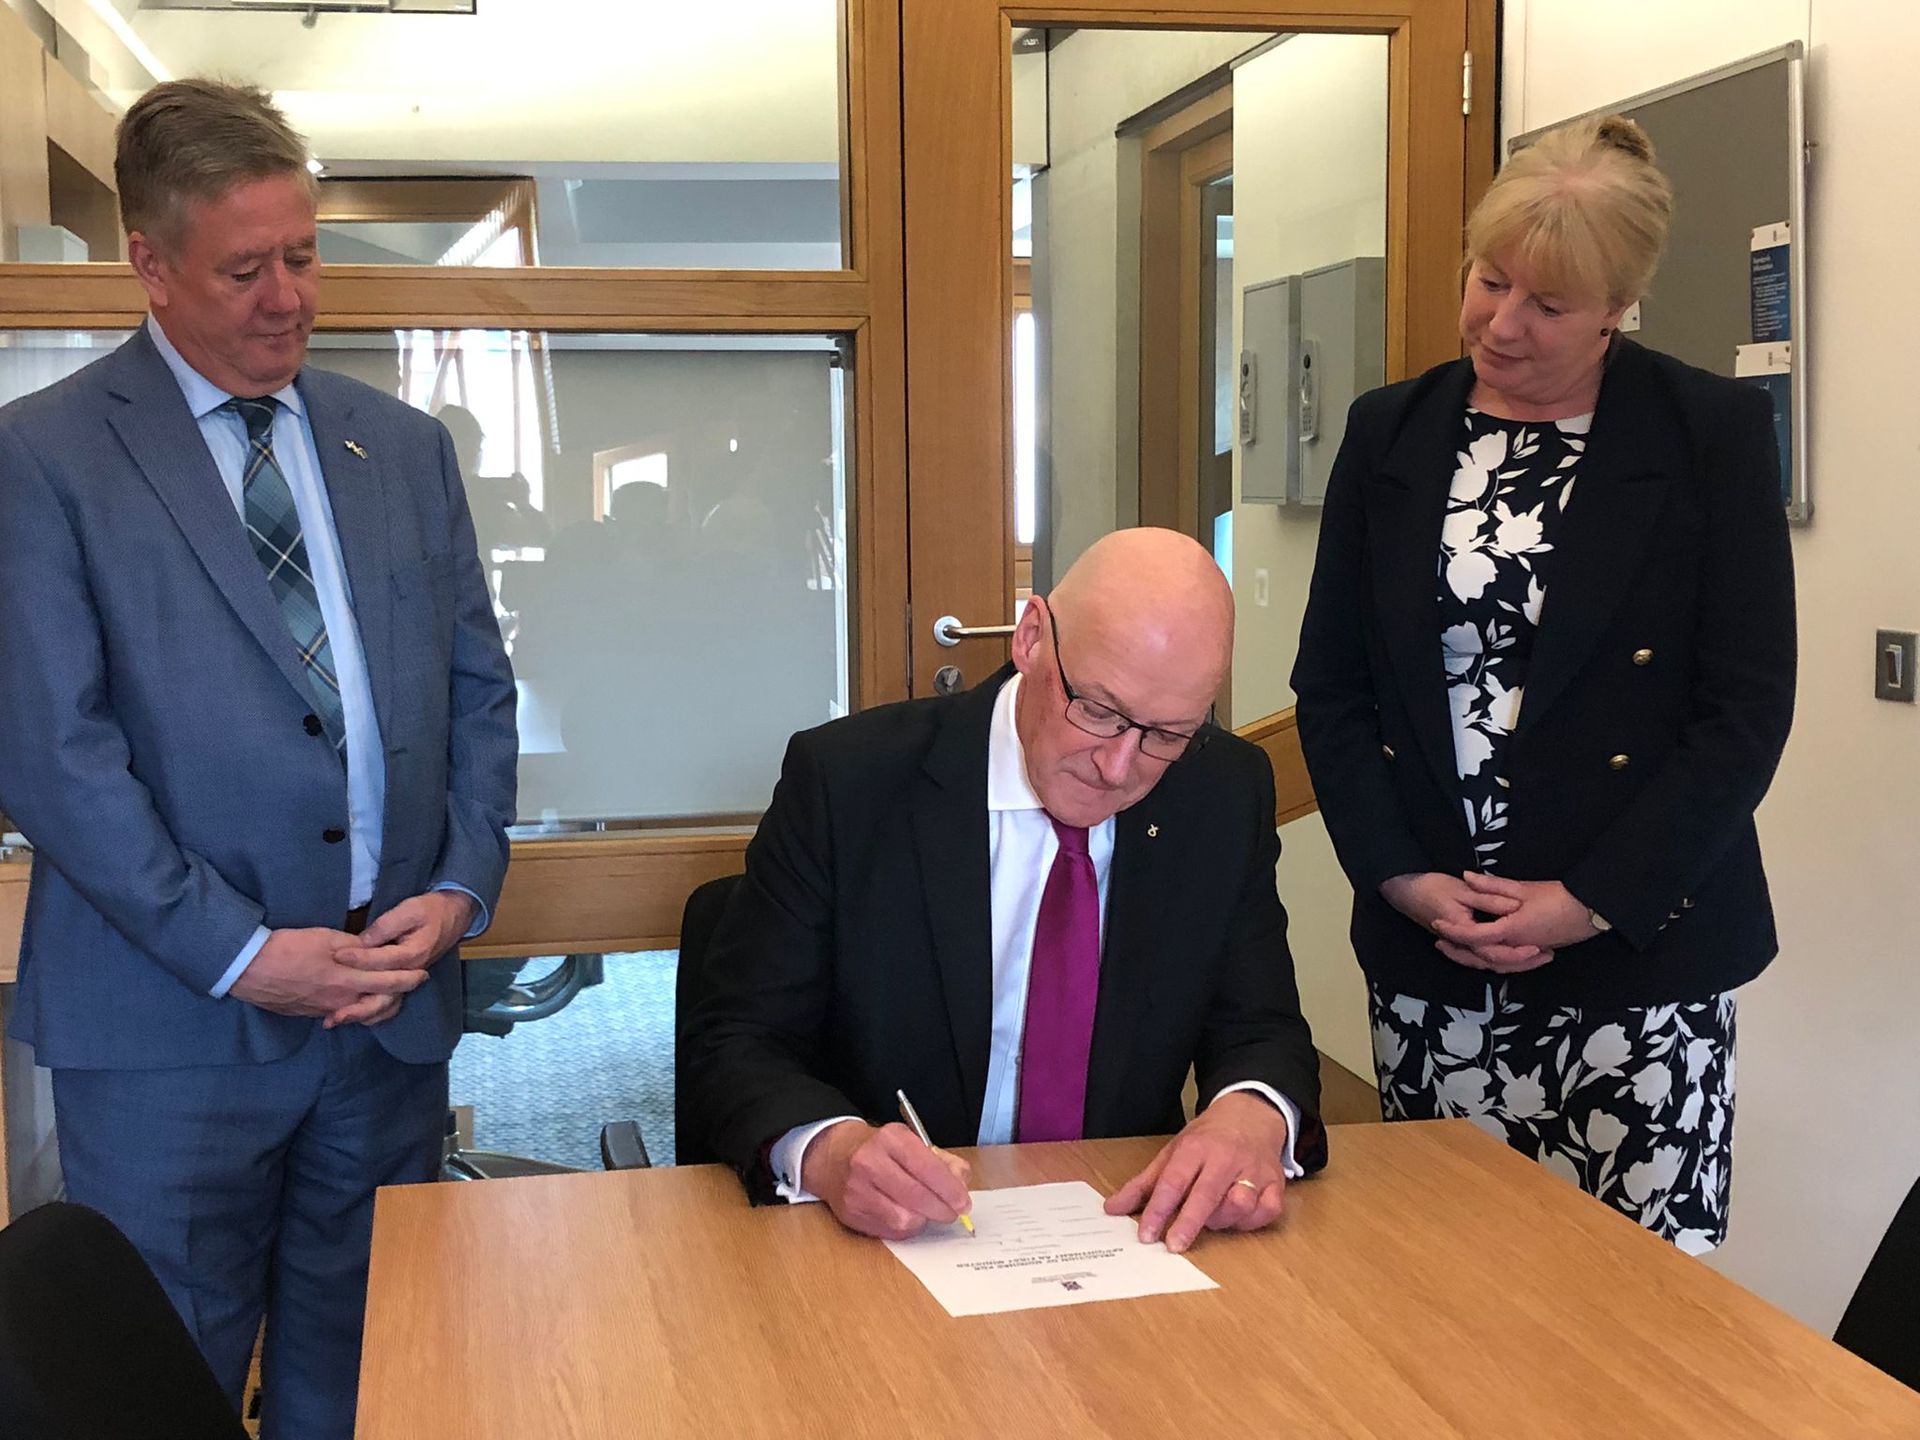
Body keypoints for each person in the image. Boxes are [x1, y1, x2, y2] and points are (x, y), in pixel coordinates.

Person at [0, 80, 517, 1435]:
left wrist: (461, 887)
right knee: (161, 1370)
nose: (289, 295)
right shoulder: (42, 461)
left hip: (386, 1012)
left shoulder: (398, 447)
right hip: (175, 1026)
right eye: (246, 268)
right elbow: (54, 754)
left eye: (303, 254)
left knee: (367, 1363)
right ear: (151, 266)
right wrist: (242, 953)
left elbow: (477, 691)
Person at [1291, 115, 1795, 1253]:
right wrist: (1400, 877)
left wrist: (1590, 901)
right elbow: (1332, 687)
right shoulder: (1390, 435)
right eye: (1489, 281)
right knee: (1445, 1283)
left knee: (1638, 1305)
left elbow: (1745, 708)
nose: (1501, 324)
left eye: (1549, 306)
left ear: (1620, 304)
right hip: (1438, 945)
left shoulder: (1708, 433)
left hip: (1638, 950)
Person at [683, 527, 1325, 1254]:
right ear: (1030, 638)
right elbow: (737, 1042)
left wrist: (1250, 1115)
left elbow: (1261, 1028)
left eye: (1166, 735)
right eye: (1099, 711)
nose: (1119, 767)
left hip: (1118, 1235)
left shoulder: (1220, 792)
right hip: (878, 1245)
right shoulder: (849, 782)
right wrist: (831, 1151)